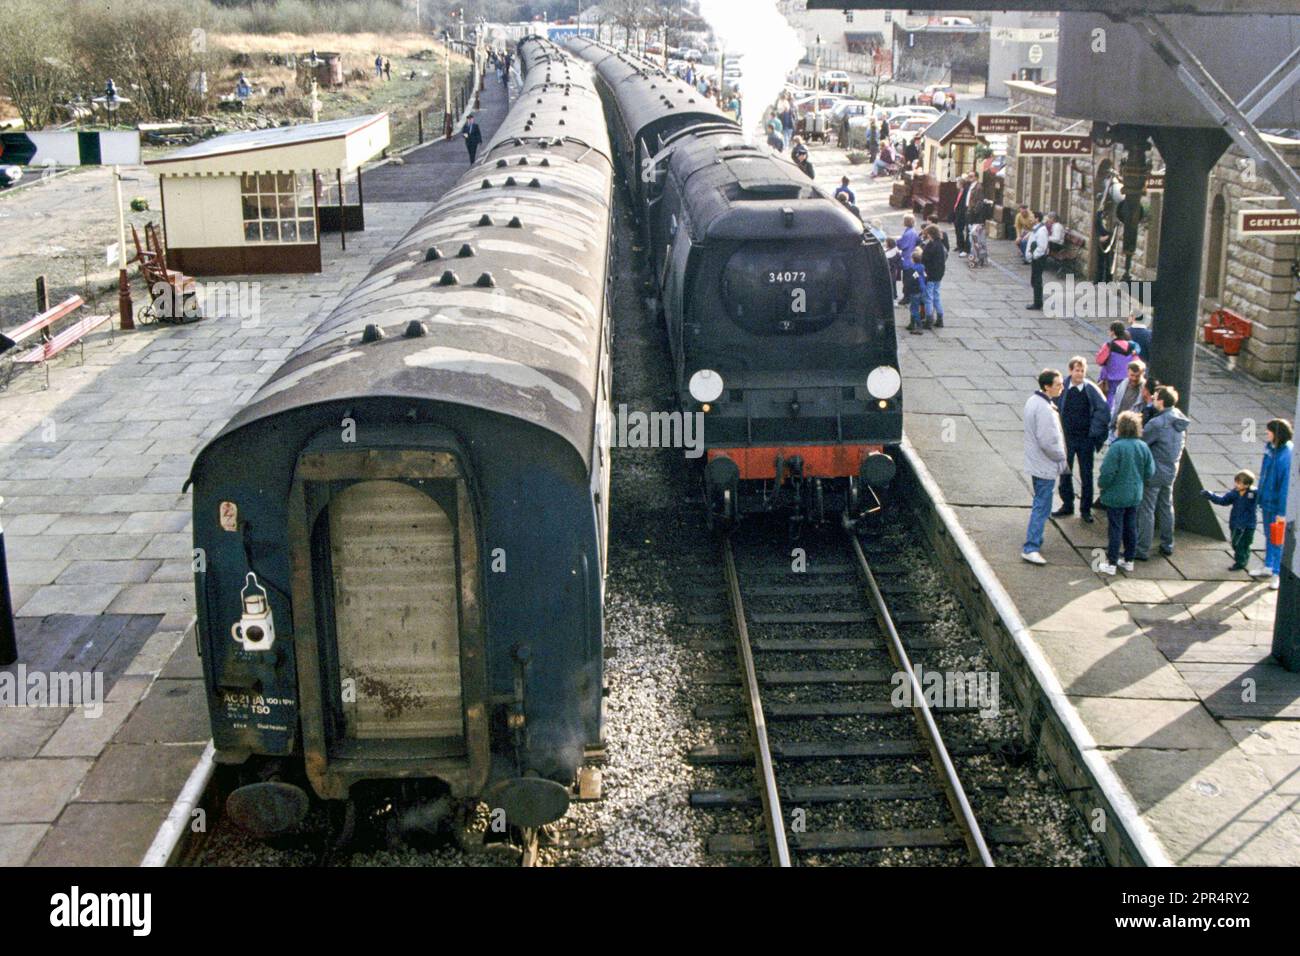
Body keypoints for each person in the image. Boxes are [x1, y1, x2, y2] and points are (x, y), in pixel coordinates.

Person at [1097, 411, 1157, 575]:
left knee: (1115, 528)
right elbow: (1150, 471)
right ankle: (1129, 560)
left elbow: (1107, 473)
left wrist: (1102, 485)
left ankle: (1111, 563)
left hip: (1116, 495)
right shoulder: (1143, 446)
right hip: (1135, 494)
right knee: (1131, 527)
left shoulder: (1117, 448)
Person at [1135, 385, 1190, 560]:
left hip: (1154, 472)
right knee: (1166, 506)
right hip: (1171, 469)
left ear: (1161, 401)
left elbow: (1142, 442)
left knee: (1147, 510)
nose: (1152, 398)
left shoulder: (1157, 424)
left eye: (1155, 396)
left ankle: (1142, 549)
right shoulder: (1179, 419)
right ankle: (1168, 544)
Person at [1053, 357, 1109, 524]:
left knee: (1086, 475)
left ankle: (1085, 509)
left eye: (1082, 371)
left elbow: (1103, 410)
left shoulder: (1091, 389)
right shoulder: (1063, 387)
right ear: (1071, 371)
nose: (1080, 374)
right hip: (1067, 438)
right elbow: (1053, 404)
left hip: (1085, 439)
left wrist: (1094, 432)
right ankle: (1067, 504)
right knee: (1065, 472)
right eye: (1077, 370)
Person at [1023, 369, 1069, 565]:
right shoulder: (1044, 409)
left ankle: (1036, 539)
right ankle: (1031, 546)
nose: (1062, 388)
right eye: (1058, 385)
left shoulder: (1032, 401)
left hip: (1035, 461)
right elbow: (1048, 441)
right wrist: (1062, 457)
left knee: (1040, 502)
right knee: (1042, 505)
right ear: (1047, 387)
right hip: (1045, 464)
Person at [1251, 418, 1293, 589]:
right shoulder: (1270, 449)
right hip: (1267, 500)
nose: (1266, 433)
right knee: (1270, 536)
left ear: (1277, 434)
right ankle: (1268, 566)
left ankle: (1277, 572)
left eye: (1269, 431)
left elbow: (1285, 486)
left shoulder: (1286, 456)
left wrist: (1282, 511)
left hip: (1276, 504)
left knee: (1278, 539)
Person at [1202, 471, 1259, 572]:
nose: (1236, 485)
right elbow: (1223, 500)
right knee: (1235, 543)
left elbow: (1262, 497)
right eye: (1236, 482)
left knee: (1244, 543)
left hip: (1248, 525)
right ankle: (1243, 557)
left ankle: (1241, 562)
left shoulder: (1253, 493)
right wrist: (1211, 495)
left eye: (1239, 483)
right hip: (1236, 524)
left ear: (1247, 484)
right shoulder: (1234, 494)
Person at [1096, 321, 1138, 405]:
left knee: (1110, 400)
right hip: (1127, 379)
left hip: (1112, 380)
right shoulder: (1131, 346)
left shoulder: (1109, 345)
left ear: (1113, 332)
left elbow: (1099, 360)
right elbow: (1137, 362)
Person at [1107, 359, 1147, 441]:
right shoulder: (1123, 384)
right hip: (1117, 427)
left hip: (1132, 430)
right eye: (1132, 375)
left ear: (1143, 374)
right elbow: (1115, 405)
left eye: (1137, 376)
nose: (1134, 379)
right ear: (1128, 372)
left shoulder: (1145, 390)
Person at [921, 224, 947, 328]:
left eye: (926, 234)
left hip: (930, 274)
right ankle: (940, 319)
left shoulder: (930, 246)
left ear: (930, 234)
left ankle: (929, 320)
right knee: (936, 296)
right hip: (939, 274)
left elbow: (924, 259)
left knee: (928, 297)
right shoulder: (940, 244)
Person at [902, 248, 928, 335]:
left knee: (914, 309)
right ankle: (911, 324)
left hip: (915, 290)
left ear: (913, 260)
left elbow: (911, 280)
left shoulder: (913, 269)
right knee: (914, 307)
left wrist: (906, 290)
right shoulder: (922, 267)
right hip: (922, 290)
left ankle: (919, 327)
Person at [895, 215, 920, 303]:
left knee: (906, 280)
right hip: (911, 258)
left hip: (907, 259)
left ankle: (906, 297)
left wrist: (897, 241)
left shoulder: (908, 233)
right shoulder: (913, 231)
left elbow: (902, 245)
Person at [954, 173, 974, 257]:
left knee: (964, 230)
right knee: (958, 229)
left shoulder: (966, 191)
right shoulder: (961, 190)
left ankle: (964, 247)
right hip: (958, 213)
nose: (956, 185)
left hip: (963, 214)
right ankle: (959, 245)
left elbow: (963, 204)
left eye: (957, 183)